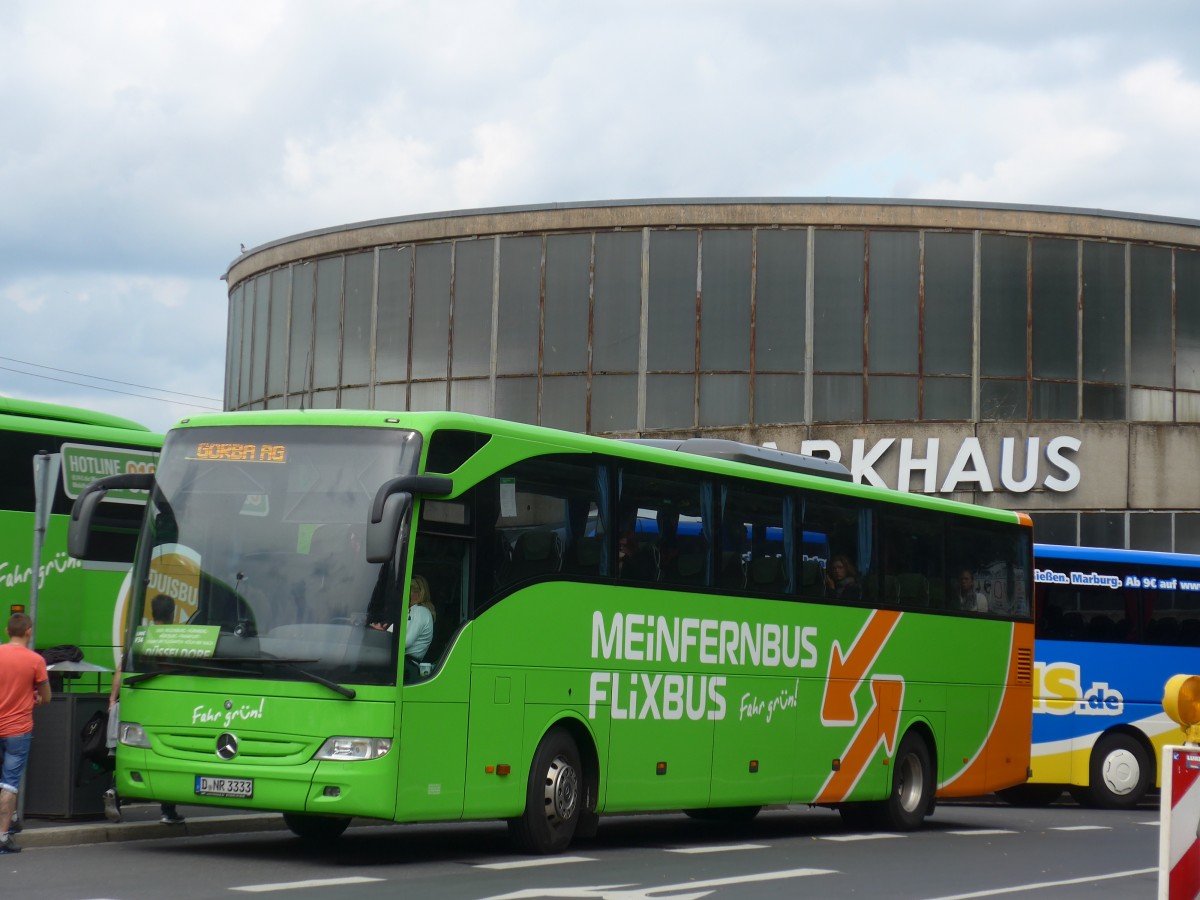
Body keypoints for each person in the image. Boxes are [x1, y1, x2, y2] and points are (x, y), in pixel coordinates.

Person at [104, 594, 185, 825]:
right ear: (172, 615)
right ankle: (168, 810)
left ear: (151, 614)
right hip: (166, 704)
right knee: (167, 755)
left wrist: (112, 699)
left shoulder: (140, 637)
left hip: (138, 699)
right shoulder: (178, 639)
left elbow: (121, 671)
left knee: (127, 751)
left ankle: (114, 792)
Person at [0, 613, 51, 854]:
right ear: (28, 631)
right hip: (18, 731)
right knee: (9, 784)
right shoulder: (35, 660)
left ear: (7, 631)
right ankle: (2, 837)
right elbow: (47, 697)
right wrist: (35, 697)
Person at [369, 574, 436, 674]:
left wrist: (384, 634)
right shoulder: (413, 611)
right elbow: (399, 631)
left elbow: (405, 641)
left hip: (406, 666)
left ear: (419, 594)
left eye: (411, 590)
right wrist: (383, 629)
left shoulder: (420, 611)